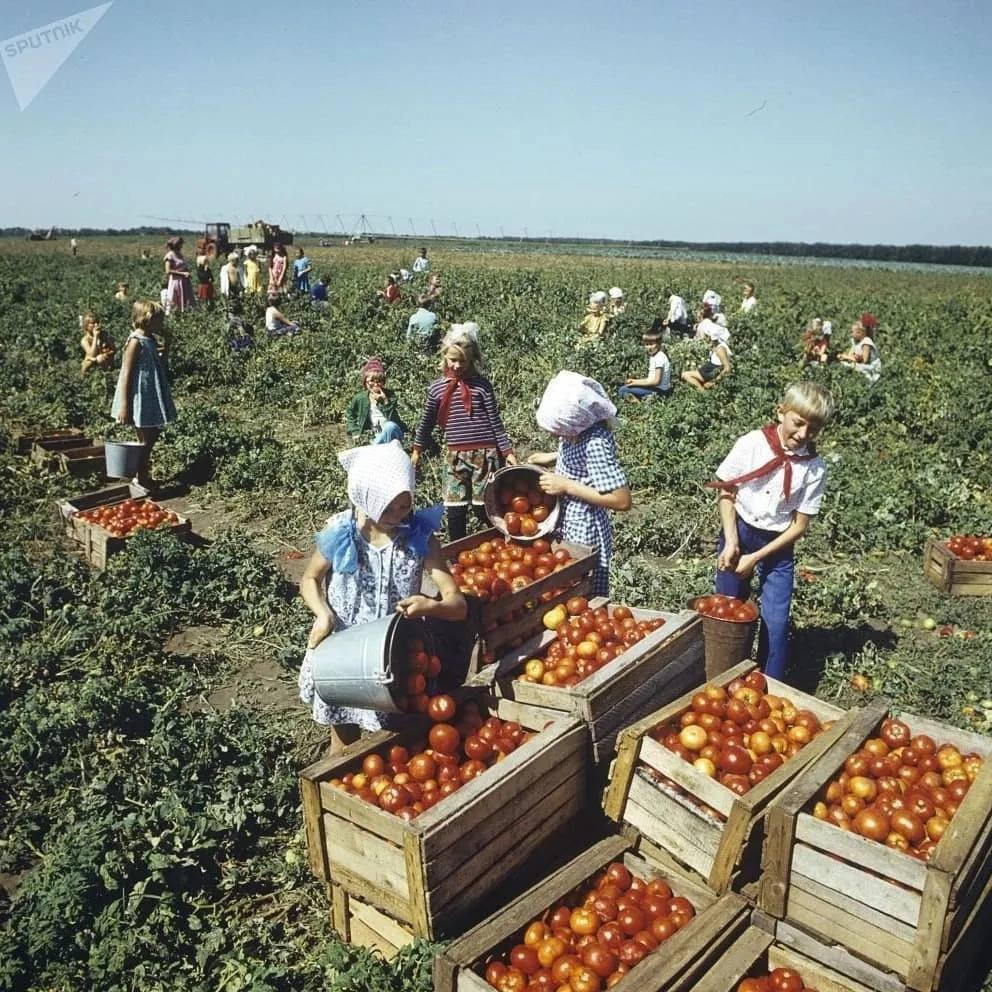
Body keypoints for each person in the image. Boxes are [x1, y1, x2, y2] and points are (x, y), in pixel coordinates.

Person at [297, 441, 467, 749]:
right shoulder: (340, 531)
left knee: (393, 743)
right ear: (365, 497)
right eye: (387, 507)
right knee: (344, 741)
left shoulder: (421, 540)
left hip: (395, 657)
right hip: (343, 652)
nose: (397, 515)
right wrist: (323, 614)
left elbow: (458, 606)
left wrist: (431, 605)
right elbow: (310, 578)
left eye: (404, 505)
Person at [708, 382, 834, 680]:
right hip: (738, 531)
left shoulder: (814, 468)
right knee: (727, 608)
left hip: (778, 546)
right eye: (798, 423)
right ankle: (721, 673)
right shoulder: (752, 443)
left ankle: (769, 686)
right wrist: (731, 542)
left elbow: (799, 526)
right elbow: (727, 491)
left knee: (776, 622)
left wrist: (756, 558)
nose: (803, 434)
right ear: (781, 412)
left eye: (813, 429)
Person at [527, 371, 631, 597]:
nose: (557, 435)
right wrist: (553, 456)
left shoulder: (596, 444)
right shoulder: (577, 433)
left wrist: (566, 486)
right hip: (567, 520)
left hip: (585, 529)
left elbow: (622, 500)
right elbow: (578, 455)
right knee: (566, 580)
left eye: (559, 430)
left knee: (583, 587)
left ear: (575, 421)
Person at [411, 330, 516, 540]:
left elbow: (495, 422)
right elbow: (426, 423)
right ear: (444, 356)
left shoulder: (482, 386)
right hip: (455, 457)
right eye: (453, 360)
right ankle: (456, 555)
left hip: (485, 455)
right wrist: (416, 451)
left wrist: (507, 451)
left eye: (463, 361)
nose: (457, 366)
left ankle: (504, 541)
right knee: (454, 510)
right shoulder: (437, 389)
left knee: (483, 508)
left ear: (471, 359)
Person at [111, 301, 176, 492]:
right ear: (147, 320)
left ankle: (142, 475)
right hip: (138, 396)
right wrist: (124, 405)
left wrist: (168, 345)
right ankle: (140, 478)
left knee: (152, 435)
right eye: (159, 321)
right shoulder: (135, 341)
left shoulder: (150, 339)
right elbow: (126, 373)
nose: (161, 325)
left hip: (150, 394)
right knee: (145, 439)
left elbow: (161, 364)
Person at [346, 358, 407, 444]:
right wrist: (355, 432)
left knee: (390, 426)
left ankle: (374, 448)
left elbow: (395, 420)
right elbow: (350, 414)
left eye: (379, 381)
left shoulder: (391, 395)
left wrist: (385, 401)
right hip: (374, 435)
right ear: (365, 382)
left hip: (393, 434)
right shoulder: (360, 398)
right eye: (372, 381)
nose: (376, 384)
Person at [619, 328, 672, 401]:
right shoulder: (655, 356)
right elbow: (650, 380)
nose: (649, 348)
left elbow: (656, 381)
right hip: (656, 388)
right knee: (626, 387)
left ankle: (638, 406)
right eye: (647, 344)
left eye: (652, 344)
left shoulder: (659, 358)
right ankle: (640, 399)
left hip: (659, 391)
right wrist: (634, 381)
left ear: (659, 344)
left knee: (622, 390)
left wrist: (636, 384)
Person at [682, 322, 732, 391]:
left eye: (706, 336)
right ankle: (702, 390)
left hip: (711, 373)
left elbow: (727, 368)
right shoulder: (715, 346)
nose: (704, 337)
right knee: (688, 375)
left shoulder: (720, 349)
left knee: (685, 375)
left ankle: (703, 392)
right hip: (707, 371)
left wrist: (715, 381)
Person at [838, 319, 881, 383]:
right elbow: (851, 353)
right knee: (843, 364)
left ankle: (868, 382)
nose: (851, 334)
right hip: (861, 363)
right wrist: (845, 357)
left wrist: (848, 357)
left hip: (871, 366)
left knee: (854, 367)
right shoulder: (855, 341)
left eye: (852, 332)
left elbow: (865, 360)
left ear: (859, 333)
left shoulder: (866, 342)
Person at [163, 237, 193, 313]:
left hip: (184, 281)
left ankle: (184, 315)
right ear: (176, 245)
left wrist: (187, 271)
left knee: (186, 302)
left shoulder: (180, 254)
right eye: (181, 244)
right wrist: (183, 273)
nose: (182, 246)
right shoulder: (170, 255)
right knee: (175, 302)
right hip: (176, 282)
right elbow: (168, 271)